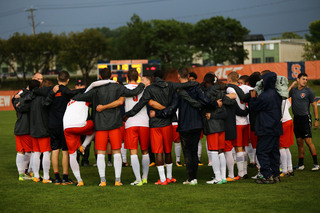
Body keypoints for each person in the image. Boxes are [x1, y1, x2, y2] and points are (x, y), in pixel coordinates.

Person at [73, 68, 144, 186]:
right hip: (115, 123)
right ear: (111, 76)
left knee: (100, 153)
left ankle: (103, 180)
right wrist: (142, 84)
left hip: (100, 124)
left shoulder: (96, 89)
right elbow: (133, 92)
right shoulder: (117, 87)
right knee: (116, 152)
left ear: (100, 77)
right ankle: (117, 180)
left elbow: (80, 97)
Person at [124, 69, 197, 185]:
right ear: (164, 76)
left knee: (158, 152)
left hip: (155, 124)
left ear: (153, 78)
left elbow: (140, 104)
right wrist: (196, 83)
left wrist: (128, 114)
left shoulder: (149, 89)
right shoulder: (170, 85)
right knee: (168, 151)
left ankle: (162, 179)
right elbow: (185, 84)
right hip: (167, 122)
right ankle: (169, 177)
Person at [151, 68, 220, 185]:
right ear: (188, 76)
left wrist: (157, 113)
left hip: (185, 125)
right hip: (197, 123)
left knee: (188, 153)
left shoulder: (178, 91)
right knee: (193, 151)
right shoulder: (196, 87)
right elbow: (204, 100)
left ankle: (191, 178)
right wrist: (216, 104)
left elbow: (172, 108)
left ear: (178, 76)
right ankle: (194, 177)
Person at [46, 71, 84, 185]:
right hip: (64, 124)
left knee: (55, 150)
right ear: (68, 80)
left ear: (57, 78)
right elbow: (76, 92)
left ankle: (56, 177)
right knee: (65, 151)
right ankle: (65, 178)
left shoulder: (51, 90)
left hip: (52, 123)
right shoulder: (67, 91)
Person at [249, 71, 283, 184]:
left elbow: (254, 107)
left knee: (262, 152)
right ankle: (276, 174)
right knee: (274, 152)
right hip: (276, 127)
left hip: (265, 127)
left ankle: (267, 175)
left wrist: (253, 98)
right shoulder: (277, 94)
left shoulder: (264, 96)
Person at [122, 69, 150, 186]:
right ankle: (144, 177)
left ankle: (138, 179)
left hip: (130, 122)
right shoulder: (143, 88)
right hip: (144, 122)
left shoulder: (124, 89)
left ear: (127, 77)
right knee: (145, 151)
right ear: (138, 77)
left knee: (133, 152)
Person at [288, 73, 319, 171]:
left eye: (306, 79)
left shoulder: (308, 91)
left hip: (305, 118)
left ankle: (316, 164)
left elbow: (314, 106)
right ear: (298, 79)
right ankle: (301, 164)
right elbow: (284, 94)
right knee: (299, 142)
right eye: (303, 79)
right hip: (296, 119)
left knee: (308, 141)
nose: (305, 81)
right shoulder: (293, 90)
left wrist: (316, 120)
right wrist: (292, 85)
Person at [12, 80, 39, 181]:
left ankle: (21, 174)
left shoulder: (19, 95)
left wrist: (17, 101)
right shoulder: (31, 97)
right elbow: (24, 108)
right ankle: (30, 172)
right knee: (31, 151)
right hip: (26, 128)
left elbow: (15, 103)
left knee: (20, 151)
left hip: (18, 126)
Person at [279, 98, 294, 177]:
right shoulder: (283, 95)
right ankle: (290, 169)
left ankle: (284, 170)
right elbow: (288, 104)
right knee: (286, 147)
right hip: (289, 120)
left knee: (281, 146)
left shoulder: (275, 96)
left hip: (283, 122)